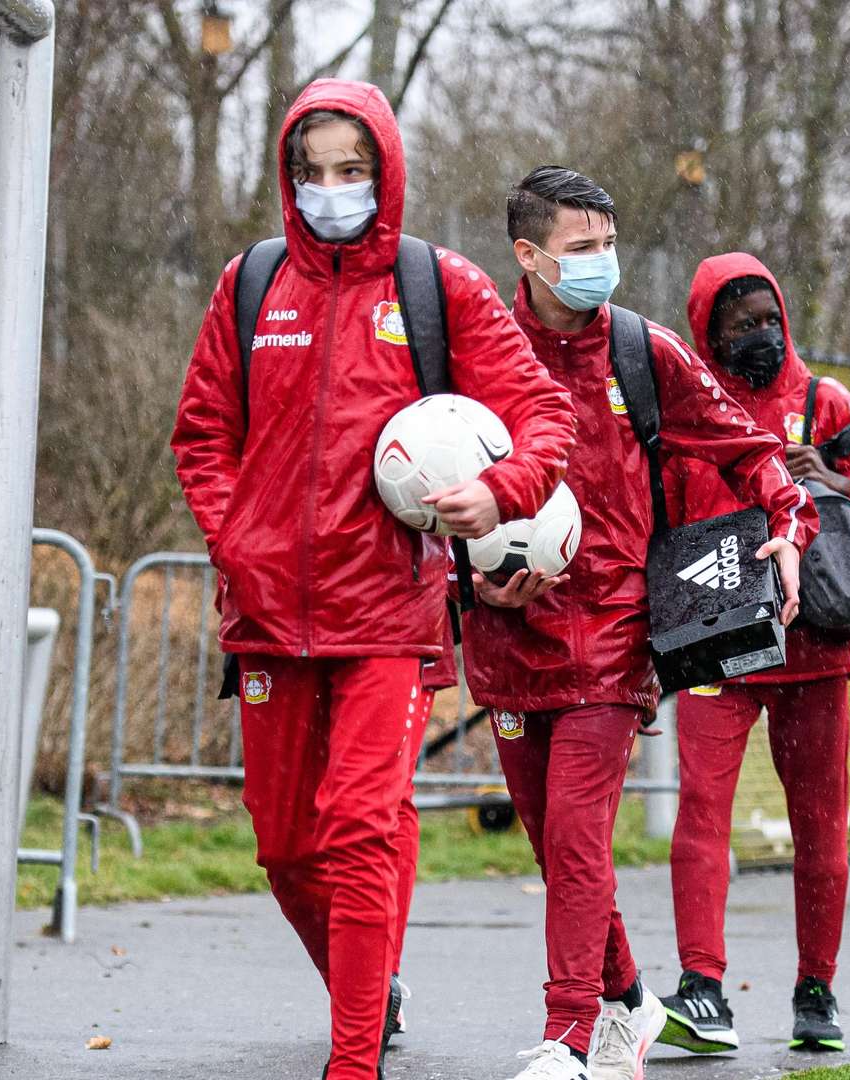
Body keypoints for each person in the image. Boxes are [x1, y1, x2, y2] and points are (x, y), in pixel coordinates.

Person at [170, 80, 576, 1080]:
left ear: (385, 170)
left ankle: (354, 1060)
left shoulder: (440, 287)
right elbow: (202, 439)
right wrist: (241, 545)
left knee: (360, 827)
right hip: (266, 617)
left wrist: (501, 491)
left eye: (352, 170)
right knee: (285, 848)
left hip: (389, 616)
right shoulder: (250, 284)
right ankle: (368, 982)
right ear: (286, 177)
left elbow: (543, 419)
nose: (331, 189)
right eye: (311, 173)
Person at [463, 168, 813, 1080]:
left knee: (579, 841)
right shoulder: (477, 350)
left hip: (614, 639)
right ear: (529, 256)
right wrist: (465, 570)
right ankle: (631, 1004)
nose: (602, 264)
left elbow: (751, 449)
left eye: (608, 244)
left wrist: (787, 525)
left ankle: (568, 1036)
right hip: (505, 640)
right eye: (581, 249)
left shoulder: (643, 351)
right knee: (554, 847)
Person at [656, 254, 850, 1057]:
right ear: (709, 329)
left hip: (815, 648)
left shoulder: (825, 401)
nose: (761, 337)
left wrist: (836, 472)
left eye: (769, 320)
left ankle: (817, 988)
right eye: (741, 326)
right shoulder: (684, 406)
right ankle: (703, 986)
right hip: (716, 639)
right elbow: (657, 507)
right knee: (701, 812)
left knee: (819, 825)